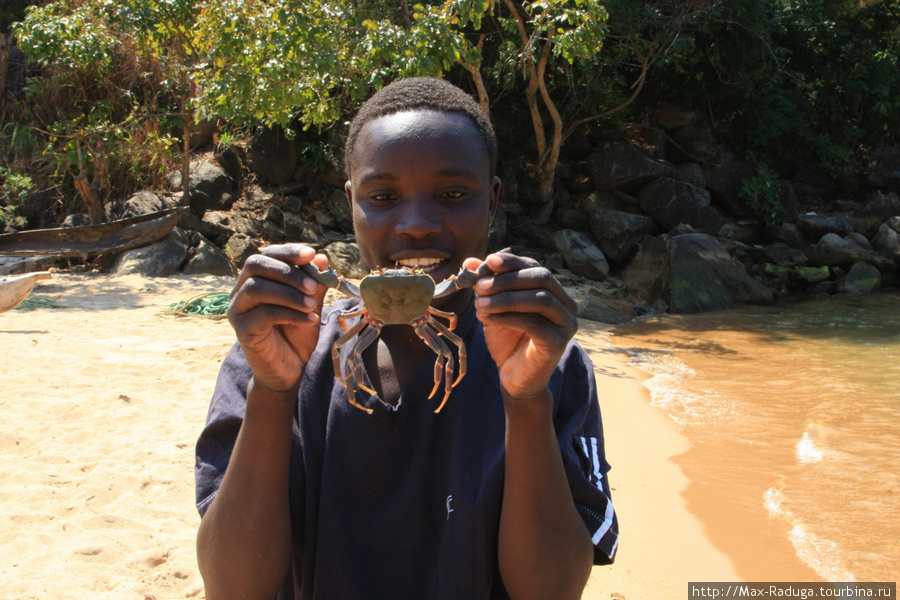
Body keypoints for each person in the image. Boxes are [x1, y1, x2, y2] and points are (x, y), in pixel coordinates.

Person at [195, 77, 618, 600]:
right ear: (352, 203)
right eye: (383, 196)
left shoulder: (547, 360)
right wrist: (275, 392)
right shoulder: (275, 354)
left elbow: (553, 592)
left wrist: (527, 401)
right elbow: (232, 590)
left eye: (453, 194)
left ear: (493, 200)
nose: (417, 225)